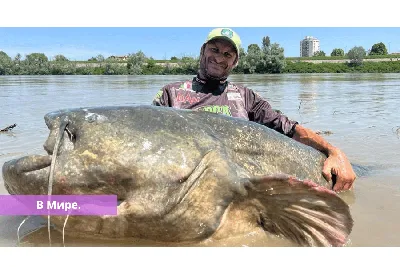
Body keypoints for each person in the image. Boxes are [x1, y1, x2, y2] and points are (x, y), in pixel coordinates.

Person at [152, 27, 356, 192]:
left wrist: (334, 151)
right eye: (214, 50)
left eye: (227, 54)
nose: (220, 58)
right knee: (122, 209)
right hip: (183, 186)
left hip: (235, 189)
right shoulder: (171, 93)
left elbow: (290, 129)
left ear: (235, 61)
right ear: (203, 50)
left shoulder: (246, 97)